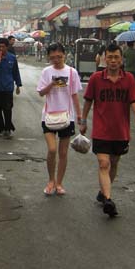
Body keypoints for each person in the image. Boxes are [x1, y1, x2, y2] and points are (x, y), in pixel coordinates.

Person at [80, 42, 135, 218]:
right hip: (101, 130)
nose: (113, 60)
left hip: (120, 131)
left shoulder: (129, 79)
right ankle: (108, 199)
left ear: (121, 60)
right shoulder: (96, 79)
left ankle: (103, 191)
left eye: (116, 57)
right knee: (103, 163)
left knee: (114, 163)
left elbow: (134, 100)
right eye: (110, 57)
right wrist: (83, 121)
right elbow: (88, 101)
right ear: (104, 59)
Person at [36, 42, 83, 196]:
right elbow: (41, 93)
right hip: (48, 116)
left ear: (64, 55)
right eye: (53, 57)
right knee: (52, 149)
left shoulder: (72, 72)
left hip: (66, 117)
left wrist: (80, 115)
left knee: (63, 153)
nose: (56, 60)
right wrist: (52, 83)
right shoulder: (46, 72)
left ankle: (59, 183)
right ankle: (50, 180)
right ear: (49, 57)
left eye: (59, 57)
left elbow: (75, 95)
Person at [0, 37, 23, 138]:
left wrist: (18, 85)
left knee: (7, 109)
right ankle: (0, 129)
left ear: (7, 47)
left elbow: (16, 72)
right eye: (0, 46)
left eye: (3, 47)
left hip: (8, 88)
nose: (1, 49)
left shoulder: (12, 58)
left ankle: (7, 129)